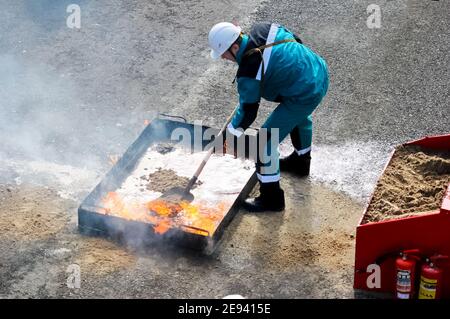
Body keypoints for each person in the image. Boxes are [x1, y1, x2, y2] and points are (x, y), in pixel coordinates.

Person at [208, 21, 329, 212]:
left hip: (306, 91)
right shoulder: (263, 28)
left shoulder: (248, 69)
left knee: (264, 143)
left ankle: (272, 200)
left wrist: (227, 136)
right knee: (297, 116)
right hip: (317, 70)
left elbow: (248, 112)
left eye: (223, 53)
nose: (223, 58)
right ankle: (300, 163)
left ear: (235, 47)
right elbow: (295, 39)